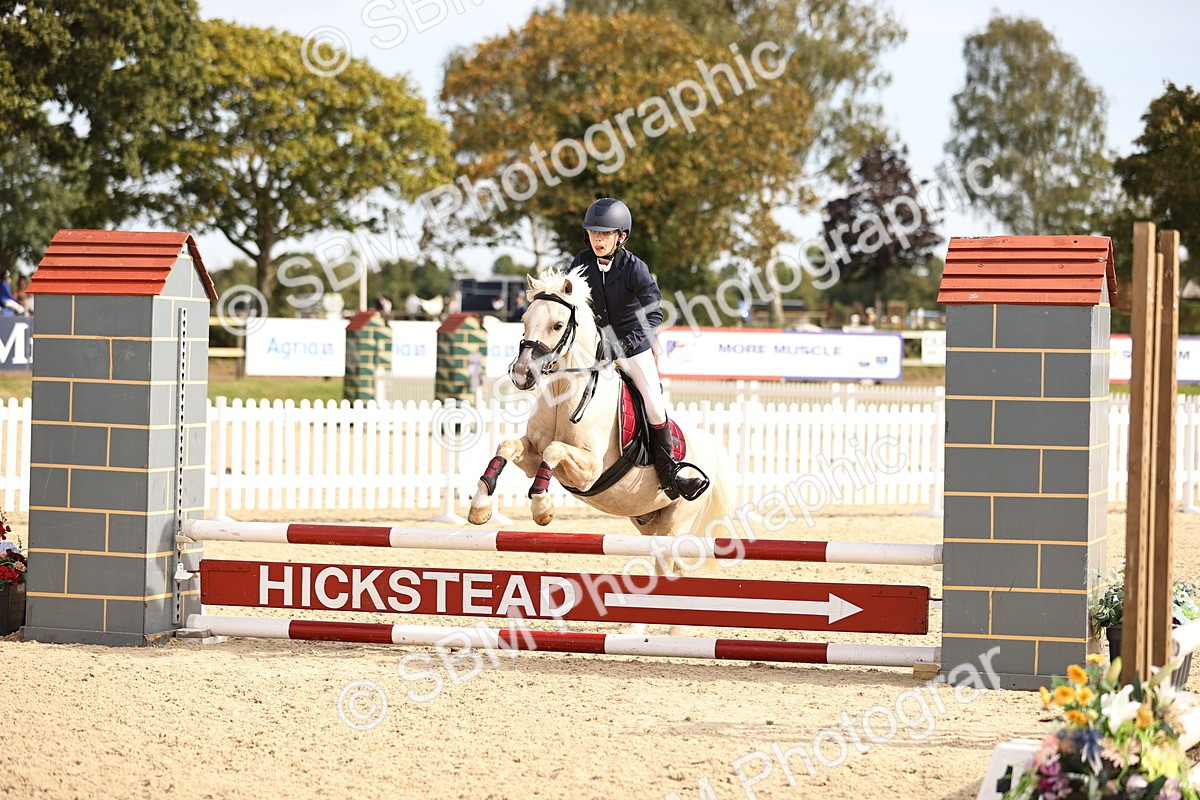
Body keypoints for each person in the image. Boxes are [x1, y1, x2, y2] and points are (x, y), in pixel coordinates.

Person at [568, 197, 708, 500]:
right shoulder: (580, 262)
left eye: (604, 234)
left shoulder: (635, 268)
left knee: (653, 403)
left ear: (621, 236)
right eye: (593, 233)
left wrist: (626, 345)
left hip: (633, 347)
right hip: (596, 347)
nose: (597, 239)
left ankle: (668, 471)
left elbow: (654, 313)